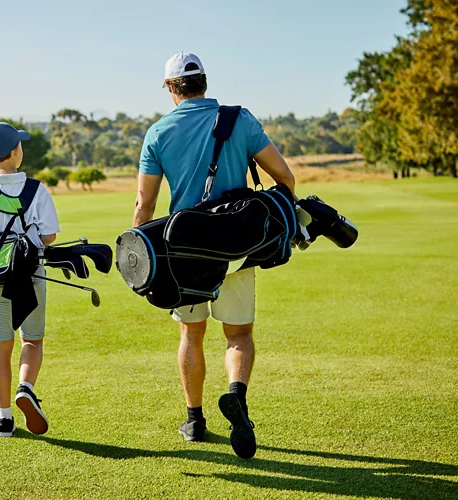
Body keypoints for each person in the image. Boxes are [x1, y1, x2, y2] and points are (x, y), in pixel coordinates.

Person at [133, 52, 296, 459]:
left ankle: (194, 419)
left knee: (191, 334)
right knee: (238, 335)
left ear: (171, 88)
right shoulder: (239, 119)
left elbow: (143, 207)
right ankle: (236, 396)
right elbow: (285, 177)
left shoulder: (157, 132)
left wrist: (139, 261)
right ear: (204, 82)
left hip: (184, 253)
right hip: (237, 249)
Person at [0, 122, 60, 438]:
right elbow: (49, 236)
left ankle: (4, 418)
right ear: (16, 151)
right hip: (31, 275)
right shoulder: (37, 189)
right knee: (31, 340)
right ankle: (26, 386)